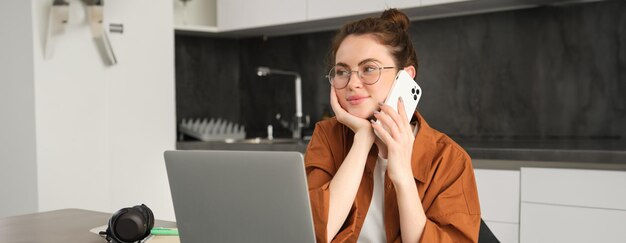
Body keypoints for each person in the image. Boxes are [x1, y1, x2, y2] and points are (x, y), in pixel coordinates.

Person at [305, 9, 481, 243]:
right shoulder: (328, 136)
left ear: (405, 78)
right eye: (342, 71)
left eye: (368, 68)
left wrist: (403, 178)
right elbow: (313, 234)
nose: (352, 83)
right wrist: (362, 140)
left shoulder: (449, 160)